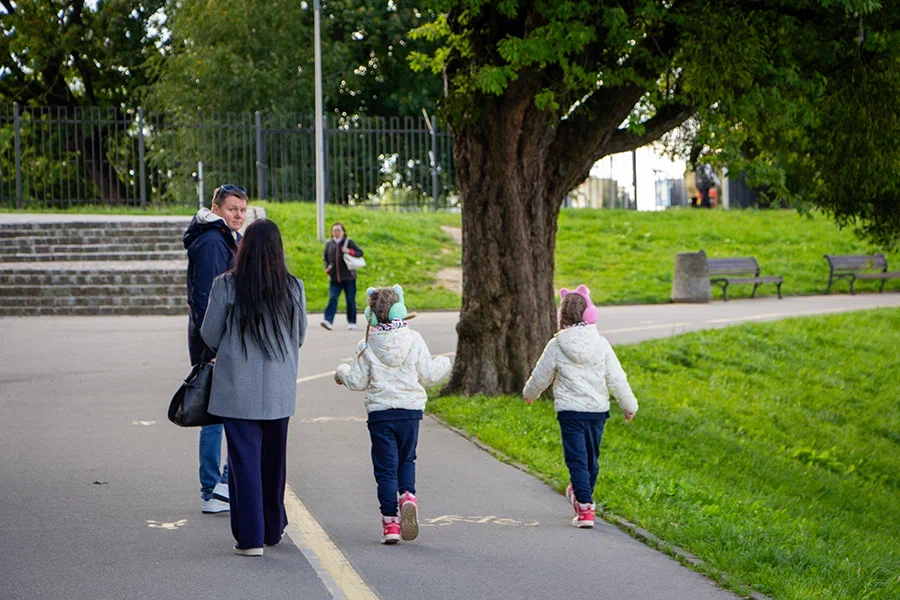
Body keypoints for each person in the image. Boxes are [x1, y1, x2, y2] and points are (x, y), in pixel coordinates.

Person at [200, 219, 307, 556]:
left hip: (237, 387)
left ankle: (250, 538)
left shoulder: (226, 285)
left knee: (244, 462)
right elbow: (299, 335)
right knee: (274, 462)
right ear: (278, 249)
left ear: (244, 248)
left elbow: (209, 334)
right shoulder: (293, 287)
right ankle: (272, 530)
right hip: (279, 388)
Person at [333, 285, 451, 544]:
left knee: (385, 469)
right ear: (400, 310)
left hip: (381, 415)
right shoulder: (414, 339)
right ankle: (407, 496)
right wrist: (445, 362)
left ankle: (391, 524)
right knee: (407, 459)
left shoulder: (366, 344)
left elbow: (357, 381)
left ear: (370, 315)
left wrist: (341, 372)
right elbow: (429, 374)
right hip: (410, 412)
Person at [522, 285, 638, 529]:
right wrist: (629, 406)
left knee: (577, 458)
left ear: (561, 316)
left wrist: (530, 393)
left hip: (570, 412)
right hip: (597, 412)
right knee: (591, 460)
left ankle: (583, 502)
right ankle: (585, 500)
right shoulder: (601, 344)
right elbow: (617, 378)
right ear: (590, 313)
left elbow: (541, 375)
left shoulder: (557, 344)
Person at [183, 184, 248, 514]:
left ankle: (218, 486)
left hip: (221, 337)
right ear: (216, 209)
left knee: (221, 412)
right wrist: (214, 344)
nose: (238, 215)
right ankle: (213, 489)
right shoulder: (212, 241)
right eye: (232, 209)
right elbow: (204, 299)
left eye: (242, 210)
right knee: (216, 413)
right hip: (214, 340)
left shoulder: (226, 237)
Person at [321, 222, 364, 331]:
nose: (336, 232)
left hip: (349, 277)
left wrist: (349, 251)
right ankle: (328, 320)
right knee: (333, 298)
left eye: (338, 230)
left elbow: (360, 253)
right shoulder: (329, 243)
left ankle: (352, 322)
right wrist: (327, 268)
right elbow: (325, 257)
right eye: (334, 230)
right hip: (334, 278)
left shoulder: (348, 242)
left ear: (343, 231)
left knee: (350, 300)